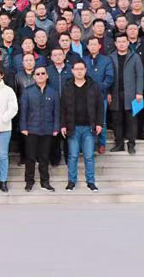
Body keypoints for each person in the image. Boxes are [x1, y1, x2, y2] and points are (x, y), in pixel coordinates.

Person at [61, 61, 103, 192]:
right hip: (73, 127)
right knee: (73, 156)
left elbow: (100, 106)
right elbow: (62, 108)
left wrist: (99, 123)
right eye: (76, 69)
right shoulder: (68, 86)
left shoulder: (93, 86)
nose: (79, 71)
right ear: (72, 71)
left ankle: (91, 182)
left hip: (89, 127)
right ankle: (71, 181)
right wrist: (63, 125)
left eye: (81, 69)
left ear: (85, 70)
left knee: (89, 156)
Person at [20, 66, 60, 192]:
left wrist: (56, 127)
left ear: (47, 76)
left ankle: (45, 182)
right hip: (31, 129)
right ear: (34, 77)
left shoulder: (53, 92)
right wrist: (23, 127)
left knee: (44, 157)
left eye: (43, 73)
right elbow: (23, 111)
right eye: (38, 74)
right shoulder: (27, 91)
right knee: (30, 157)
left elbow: (56, 112)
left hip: (47, 129)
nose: (41, 75)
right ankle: (29, 182)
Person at [109, 33, 144, 154]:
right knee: (116, 120)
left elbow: (140, 75)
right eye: (119, 42)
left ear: (128, 42)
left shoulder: (135, 57)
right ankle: (119, 144)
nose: (121, 44)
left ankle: (131, 144)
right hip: (115, 94)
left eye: (124, 41)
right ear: (115, 43)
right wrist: (108, 92)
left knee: (132, 121)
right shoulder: (111, 57)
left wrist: (139, 92)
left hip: (131, 94)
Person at [83, 36, 114, 154]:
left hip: (101, 95)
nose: (93, 47)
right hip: (86, 95)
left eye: (95, 44)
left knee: (102, 121)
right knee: (88, 120)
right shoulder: (84, 60)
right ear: (87, 46)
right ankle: (90, 144)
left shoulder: (106, 60)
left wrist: (98, 88)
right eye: (90, 45)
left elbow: (109, 77)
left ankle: (102, 144)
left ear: (99, 46)